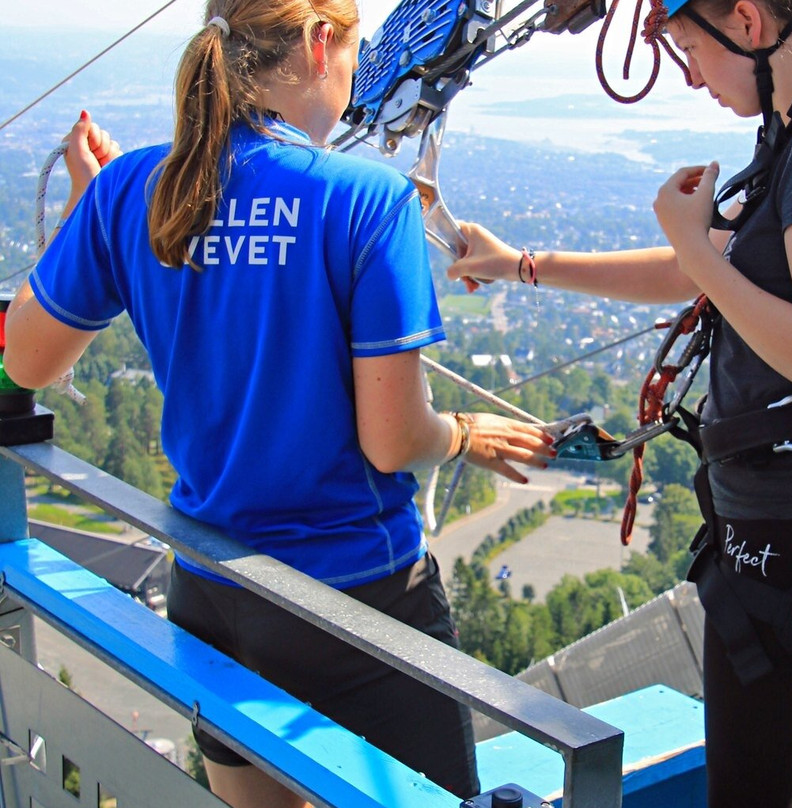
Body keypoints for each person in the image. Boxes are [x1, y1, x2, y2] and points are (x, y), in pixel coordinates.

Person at [3, 1, 554, 806]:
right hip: (356, 602)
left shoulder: (129, 190)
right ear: (319, 42)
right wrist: (465, 434)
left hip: (210, 590)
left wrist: (91, 208)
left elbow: (26, 360)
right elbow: (395, 440)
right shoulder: (369, 201)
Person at [446, 0, 792, 805]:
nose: (691, 77)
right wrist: (523, 265)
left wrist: (692, 242)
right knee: (774, 788)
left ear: (748, 23)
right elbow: (699, 272)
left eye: (689, 48)